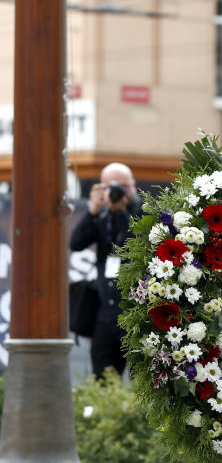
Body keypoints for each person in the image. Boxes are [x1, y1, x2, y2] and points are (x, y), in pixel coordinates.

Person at [69, 162, 141, 377]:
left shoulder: (144, 211)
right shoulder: (101, 216)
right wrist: (92, 211)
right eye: (112, 187)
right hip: (106, 314)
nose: (118, 192)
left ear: (134, 186)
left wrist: (120, 213)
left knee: (143, 382)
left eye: (123, 186)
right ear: (102, 189)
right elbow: (76, 243)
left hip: (139, 315)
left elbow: (138, 241)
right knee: (103, 380)